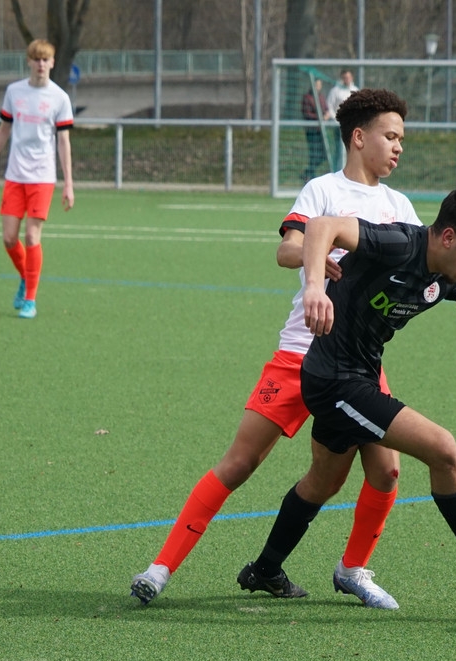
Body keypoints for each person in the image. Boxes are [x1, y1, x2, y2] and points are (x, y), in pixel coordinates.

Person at [131, 89, 418, 609]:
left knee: (387, 470)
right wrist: (315, 260)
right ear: (359, 137)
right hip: (300, 353)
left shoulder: (400, 207)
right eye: (391, 136)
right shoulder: (323, 190)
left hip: (360, 364)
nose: (399, 147)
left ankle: (353, 570)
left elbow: (418, 265)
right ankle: (160, 568)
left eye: (402, 139)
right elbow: (288, 247)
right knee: (240, 461)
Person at [238, 184, 456, 596]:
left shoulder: (448, 274)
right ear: (448, 237)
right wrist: (313, 286)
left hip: (357, 377)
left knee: (322, 482)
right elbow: (323, 226)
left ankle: (264, 569)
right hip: (335, 381)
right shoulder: (398, 243)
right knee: (443, 449)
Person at [0, 38, 74, 320]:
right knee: (9, 238)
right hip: (15, 175)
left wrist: (68, 183)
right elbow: (3, 131)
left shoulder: (60, 98)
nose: (41, 64)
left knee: (32, 235)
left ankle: (30, 299)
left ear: (52, 63)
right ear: (29, 62)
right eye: (36, 59)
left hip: (42, 177)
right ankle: (26, 276)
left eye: (45, 60)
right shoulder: (14, 91)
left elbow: (64, 141)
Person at [326, 69, 358, 166]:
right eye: (344, 77)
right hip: (338, 125)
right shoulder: (335, 90)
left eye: (348, 77)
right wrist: (336, 119)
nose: (346, 79)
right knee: (339, 149)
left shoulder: (355, 90)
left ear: (352, 78)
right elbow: (329, 106)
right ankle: (338, 168)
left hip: (351, 125)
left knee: (351, 148)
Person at [301, 78, 330, 183]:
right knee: (314, 154)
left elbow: (326, 109)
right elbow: (307, 113)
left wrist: (327, 115)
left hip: (320, 130)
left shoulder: (321, 97)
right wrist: (320, 118)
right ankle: (310, 176)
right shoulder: (307, 98)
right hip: (312, 130)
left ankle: (307, 173)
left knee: (323, 155)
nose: (317, 87)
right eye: (316, 85)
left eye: (319, 85)